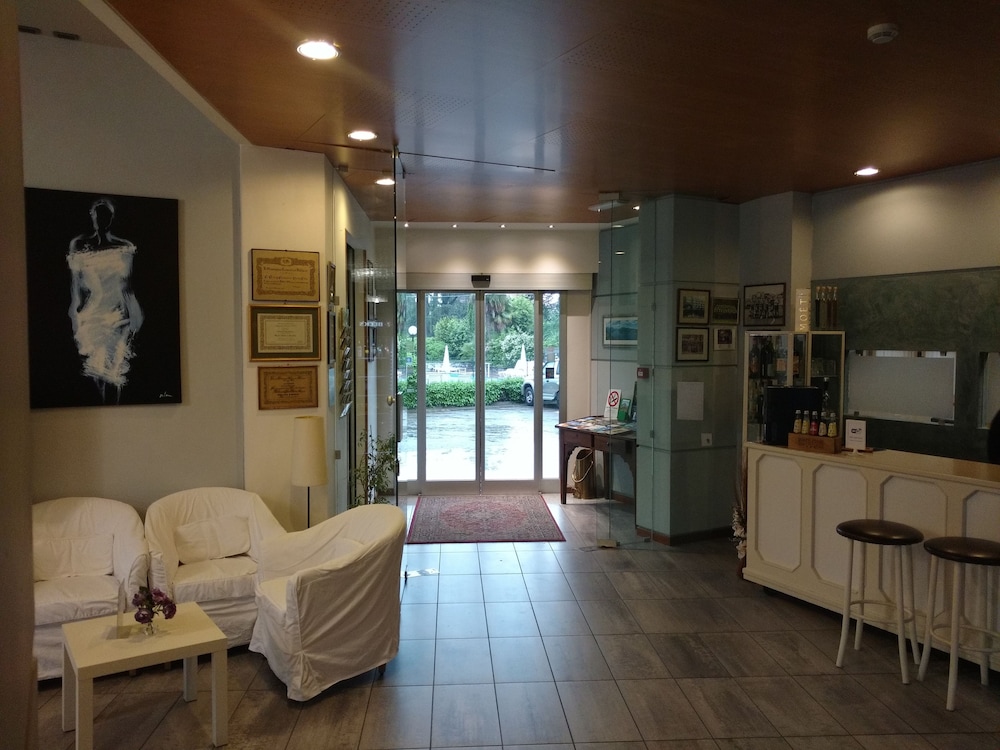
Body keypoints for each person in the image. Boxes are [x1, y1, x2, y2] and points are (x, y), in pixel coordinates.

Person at [66, 198, 143, 403]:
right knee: (97, 372)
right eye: (98, 215)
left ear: (111, 218)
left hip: (118, 315)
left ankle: (113, 412)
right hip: (93, 316)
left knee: (113, 372)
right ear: (93, 217)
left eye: (105, 216)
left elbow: (127, 286)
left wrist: (135, 313)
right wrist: (75, 316)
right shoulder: (79, 245)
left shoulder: (124, 247)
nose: (101, 220)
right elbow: (76, 287)